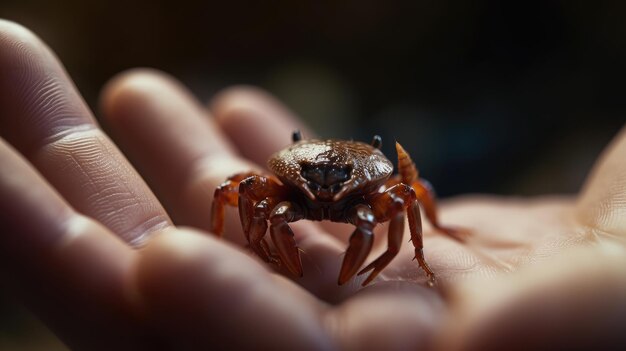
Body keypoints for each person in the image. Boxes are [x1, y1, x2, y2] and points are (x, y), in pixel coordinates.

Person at [0, 19, 624, 351]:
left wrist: (406, 255)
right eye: (312, 182)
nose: (324, 193)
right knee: (236, 190)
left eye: (333, 185)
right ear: (295, 164)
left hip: (369, 189)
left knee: (413, 193)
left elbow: (407, 193)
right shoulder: (282, 182)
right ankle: (260, 250)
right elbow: (238, 191)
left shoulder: (378, 190)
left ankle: (412, 251)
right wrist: (253, 241)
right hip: (299, 176)